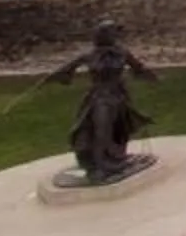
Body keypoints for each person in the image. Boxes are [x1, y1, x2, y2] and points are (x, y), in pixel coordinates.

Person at [49, 21, 160, 183]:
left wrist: (152, 78)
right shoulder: (89, 55)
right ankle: (99, 163)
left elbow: (139, 68)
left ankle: (110, 162)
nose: (116, 36)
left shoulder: (122, 53)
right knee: (95, 129)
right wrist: (55, 76)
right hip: (98, 96)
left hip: (118, 95)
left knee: (115, 129)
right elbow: (67, 69)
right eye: (113, 33)